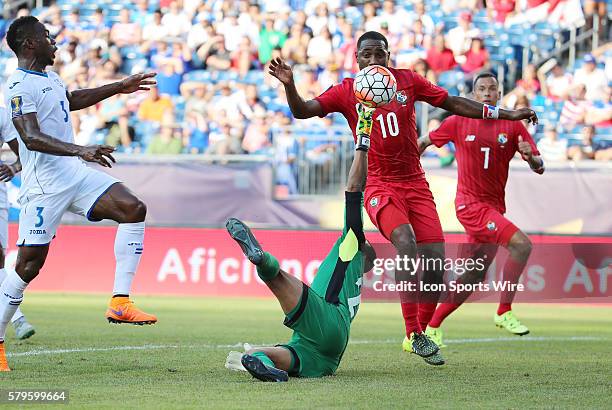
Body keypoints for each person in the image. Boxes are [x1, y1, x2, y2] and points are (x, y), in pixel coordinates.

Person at [268, 30, 537, 363]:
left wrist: (506, 114)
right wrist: (289, 85)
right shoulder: (347, 91)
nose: (373, 60)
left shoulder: (408, 82)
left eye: (379, 54)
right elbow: (304, 110)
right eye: (366, 55)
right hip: (380, 184)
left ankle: (418, 334)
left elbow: (452, 103)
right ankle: (414, 332)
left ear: (388, 55)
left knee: (435, 263)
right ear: (357, 59)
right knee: (406, 242)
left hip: (416, 184)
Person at [0, 16, 158, 372]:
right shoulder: (18, 86)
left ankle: (120, 300)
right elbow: (30, 137)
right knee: (28, 267)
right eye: (47, 36)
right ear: (29, 44)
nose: (53, 41)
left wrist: (119, 86)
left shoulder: (50, 78)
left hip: (72, 173)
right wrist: (80, 149)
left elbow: (69, 100)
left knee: (133, 208)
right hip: (43, 187)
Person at [224, 108, 376, 381]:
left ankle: (262, 260)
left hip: (326, 321)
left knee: (277, 278)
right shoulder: (355, 278)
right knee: (257, 353)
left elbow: (355, 189)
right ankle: (261, 363)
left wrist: (362, 141)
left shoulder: (352, 246)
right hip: (324, 354)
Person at [418, 72, 544, 346]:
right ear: (475, 96)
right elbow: (424, 142)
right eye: (482, 89)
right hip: (469, 205)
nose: (487, 93)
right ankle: (504, 311)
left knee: (474, 275)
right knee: (522, 245)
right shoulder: (458, 121)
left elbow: (540, 166)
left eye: (492, 89)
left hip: (494, 208)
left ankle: (431, 326)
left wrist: (530, 157)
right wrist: (405, 167)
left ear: (499, 95)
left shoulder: (513, 127)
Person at [0, 107, 35, 340]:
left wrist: (13, 167)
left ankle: (15, 316)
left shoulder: (2, 116)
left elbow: (25, 153)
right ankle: (17, 316)